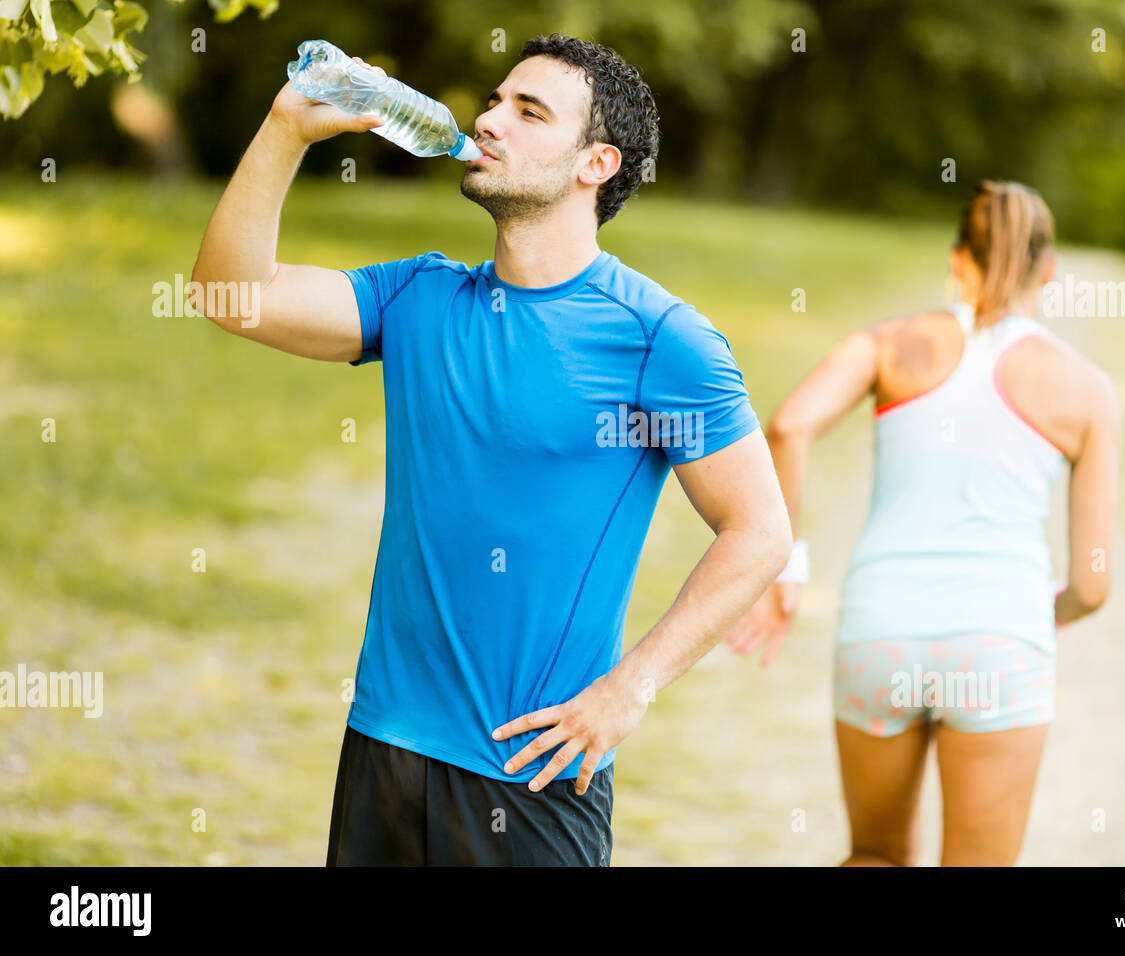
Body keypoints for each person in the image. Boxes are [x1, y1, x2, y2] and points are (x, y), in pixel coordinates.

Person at [189, 33, 791, 866]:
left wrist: (630, 689)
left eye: (529, 112)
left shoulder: (660, 339)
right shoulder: (417, 296)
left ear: (596, 165)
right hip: (384, 746)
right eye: (496, 100)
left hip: (532, 774)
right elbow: (231, 296)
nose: (488, 120)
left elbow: (759, 531)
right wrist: (285, 128)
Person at [728, 181, 1120, 866]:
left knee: (875, 854)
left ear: (958, 260)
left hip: (880, 631)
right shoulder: (1086, 389)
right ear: (1049, 270)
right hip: (1000, 643)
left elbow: (788, 425)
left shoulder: (890, 343)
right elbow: (1093, 586)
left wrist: (788, 569)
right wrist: (1026, 616)